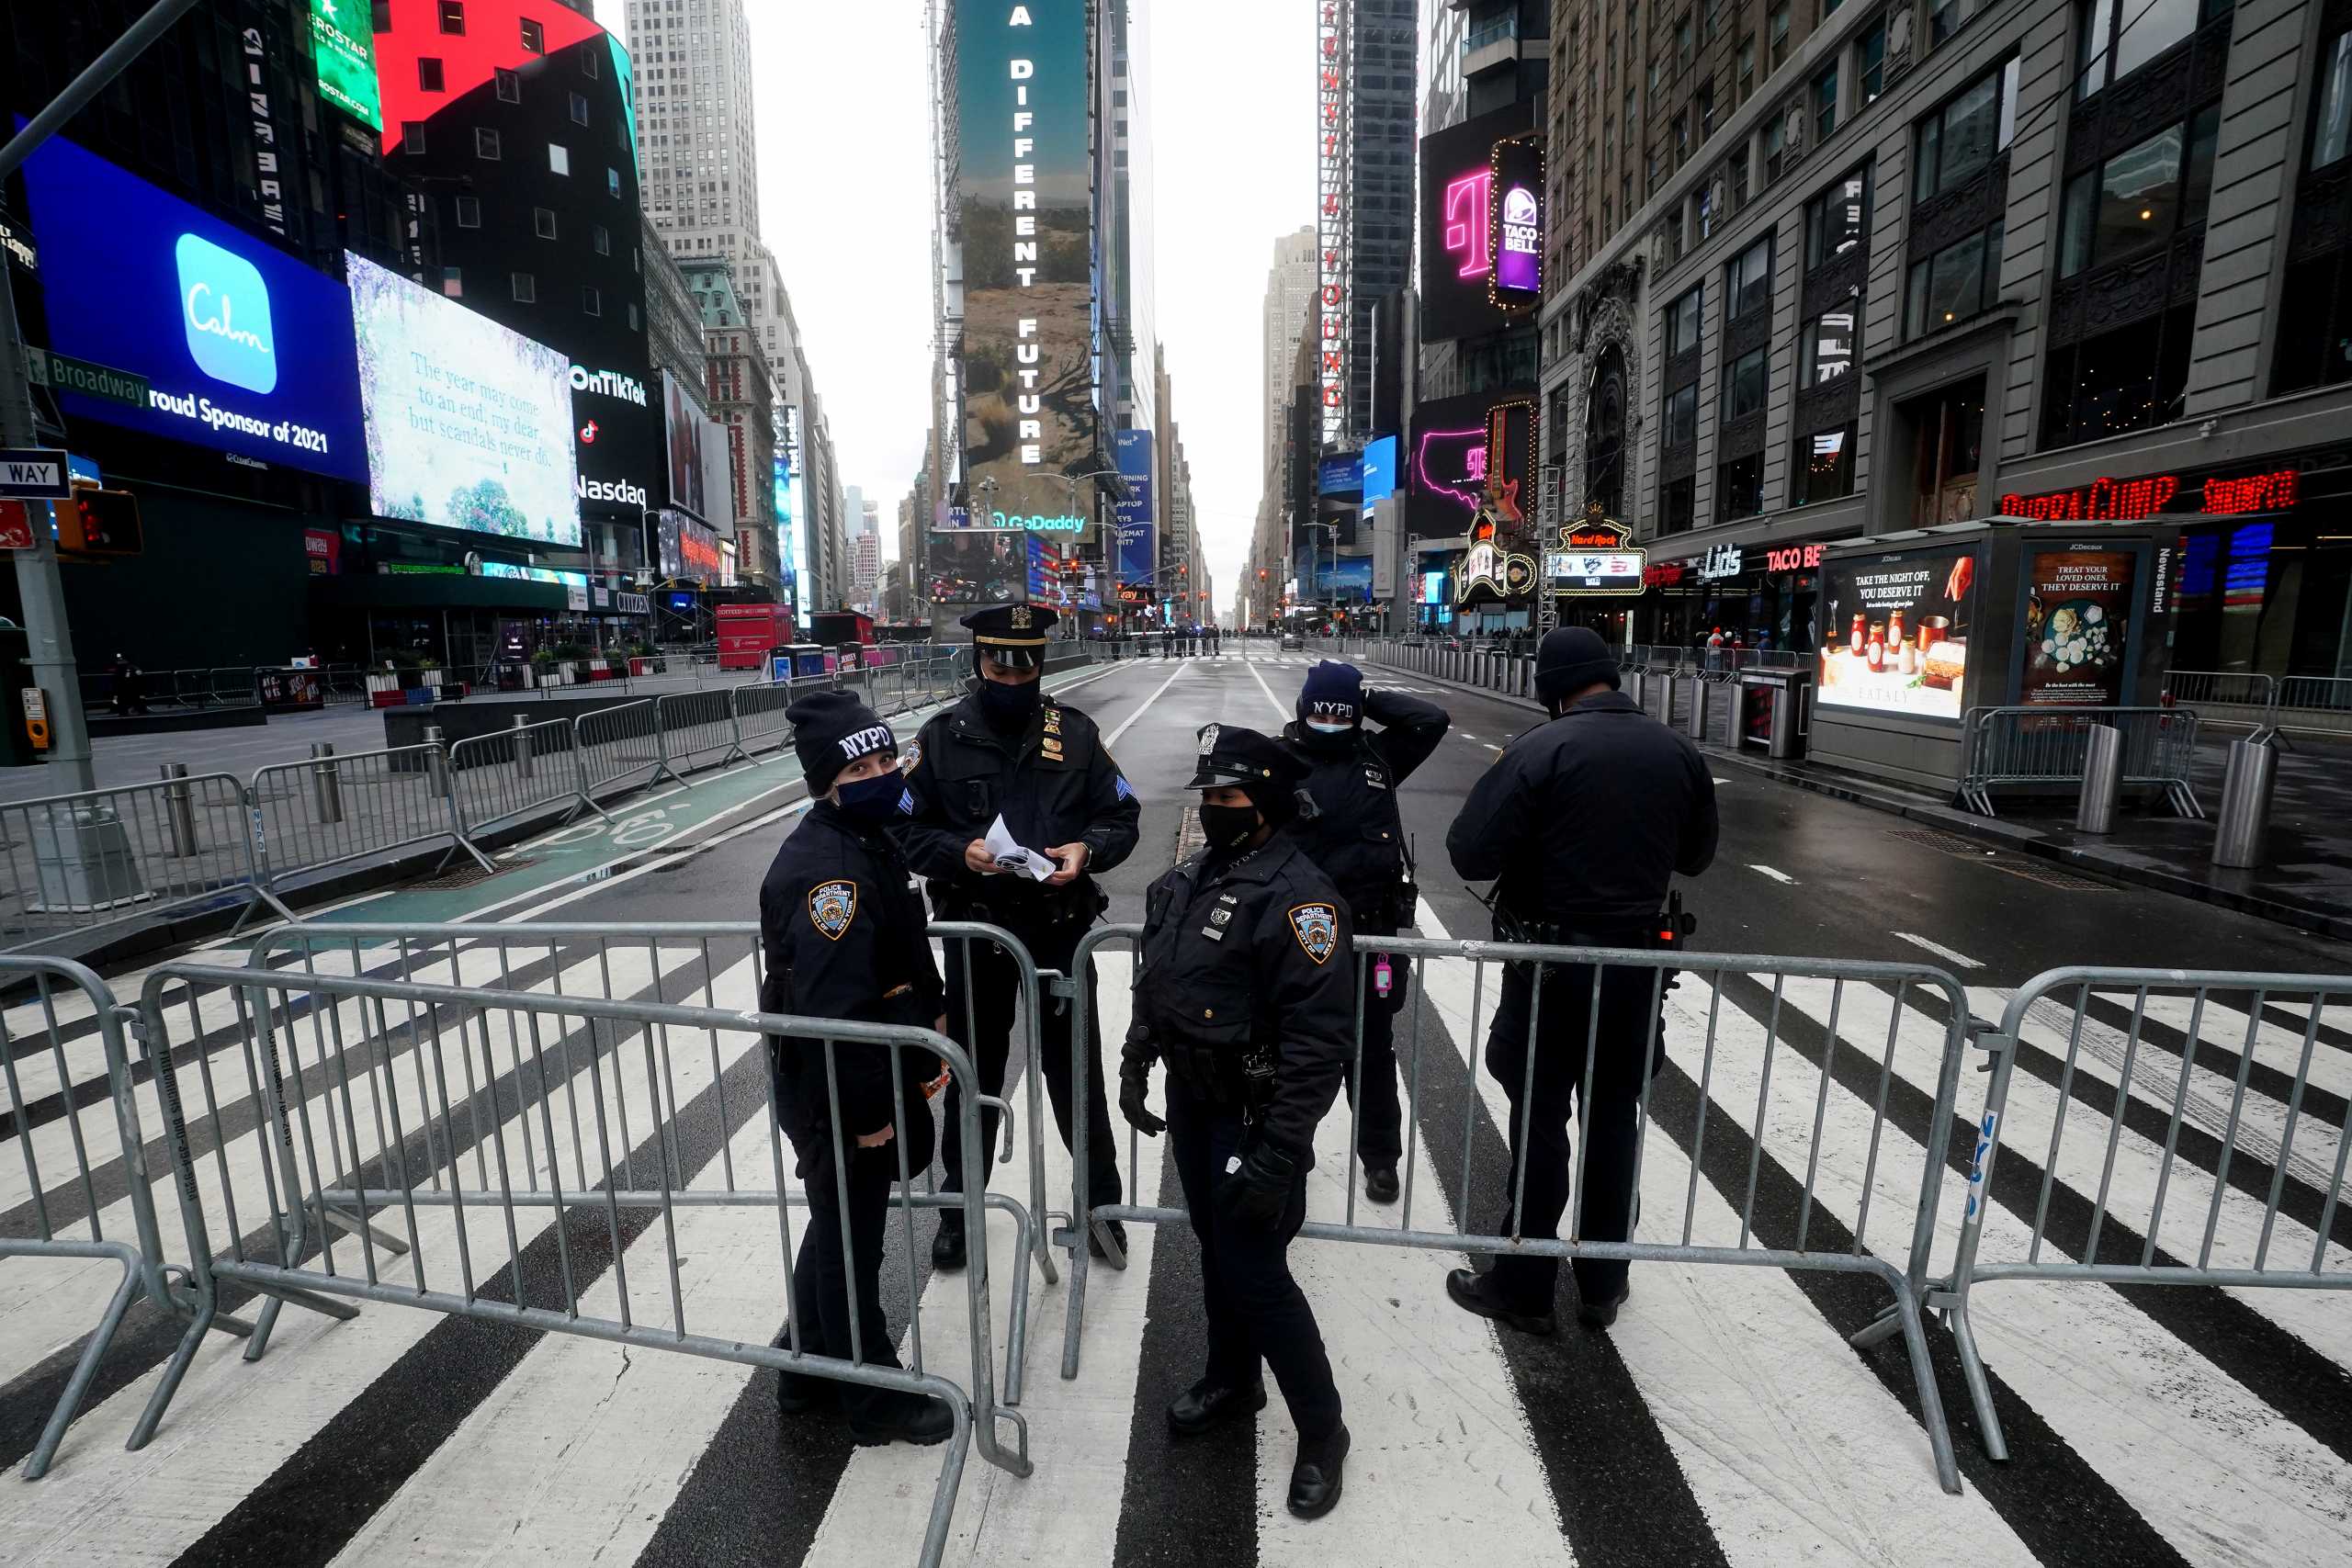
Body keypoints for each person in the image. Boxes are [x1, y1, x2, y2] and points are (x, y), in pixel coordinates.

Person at [1441, 626, 1717, 1334]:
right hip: (1634, 972)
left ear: (1550, 684)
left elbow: (1470, 851)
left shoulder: (1540, 748)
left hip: (1551, 969)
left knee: (1540, 1119)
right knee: (1614, 1117)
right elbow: (1697, 854)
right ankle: (1603, 1282)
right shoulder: (1677, 749)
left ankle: (1526, 1286)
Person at [1119, 724, 1354, 1518]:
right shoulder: (1197, 875)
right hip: (1194, 1097)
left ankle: (1323, 1428)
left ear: (1268, 803)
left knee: (1256, 1269)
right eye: (1209, 795)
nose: (1214, 807)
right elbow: (1161, 977)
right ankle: (1232, 1376)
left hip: (1254, 1113)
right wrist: (1135, 1058)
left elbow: (1321, 1044)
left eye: (1229, 796)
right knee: (1216, 1252)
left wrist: (1280, 1150)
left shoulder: (1301, 899)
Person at [899, 602, 1140, 1270]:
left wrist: (1086, 850)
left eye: (1026, 662)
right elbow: (904, 830)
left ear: (1039, 662)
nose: (1013, 675)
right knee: (974, 1076)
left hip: (1060, 933)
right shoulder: (942, 738)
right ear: (979, 660)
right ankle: (959, 1210)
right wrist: (960, 851)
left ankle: (1101, 1204)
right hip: (979, 935)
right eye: (1000, 662)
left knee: (1076, 1074)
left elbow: (1123, 815)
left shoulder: (1078, 734)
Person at [759, 689, 954, 1446]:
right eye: (864, 764)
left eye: (886, 755)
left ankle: (804, 1366)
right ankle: (873, 1394)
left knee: (835, 1225)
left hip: (852, 1073)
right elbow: (839, 1019)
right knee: (852, 1238)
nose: (885, 771)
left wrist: (931, 1006)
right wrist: (870, 1116)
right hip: (839, 1086)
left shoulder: (869, 836)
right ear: (825, 781)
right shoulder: (829, 875)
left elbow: (899, 948)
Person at [1277, 661, 1449, 1202]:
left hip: (1373, 934)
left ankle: (1380, 1158)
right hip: (1298, 937)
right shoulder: (1276, 762)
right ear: (1303, 709)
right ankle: (1287, 1152)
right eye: (1320, 710)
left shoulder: (1378, 756)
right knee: (1290, 1051)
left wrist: (1365, 694)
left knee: (1372, 1051)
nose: (1329, 720)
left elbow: (1432, 721)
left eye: (1340, 712)